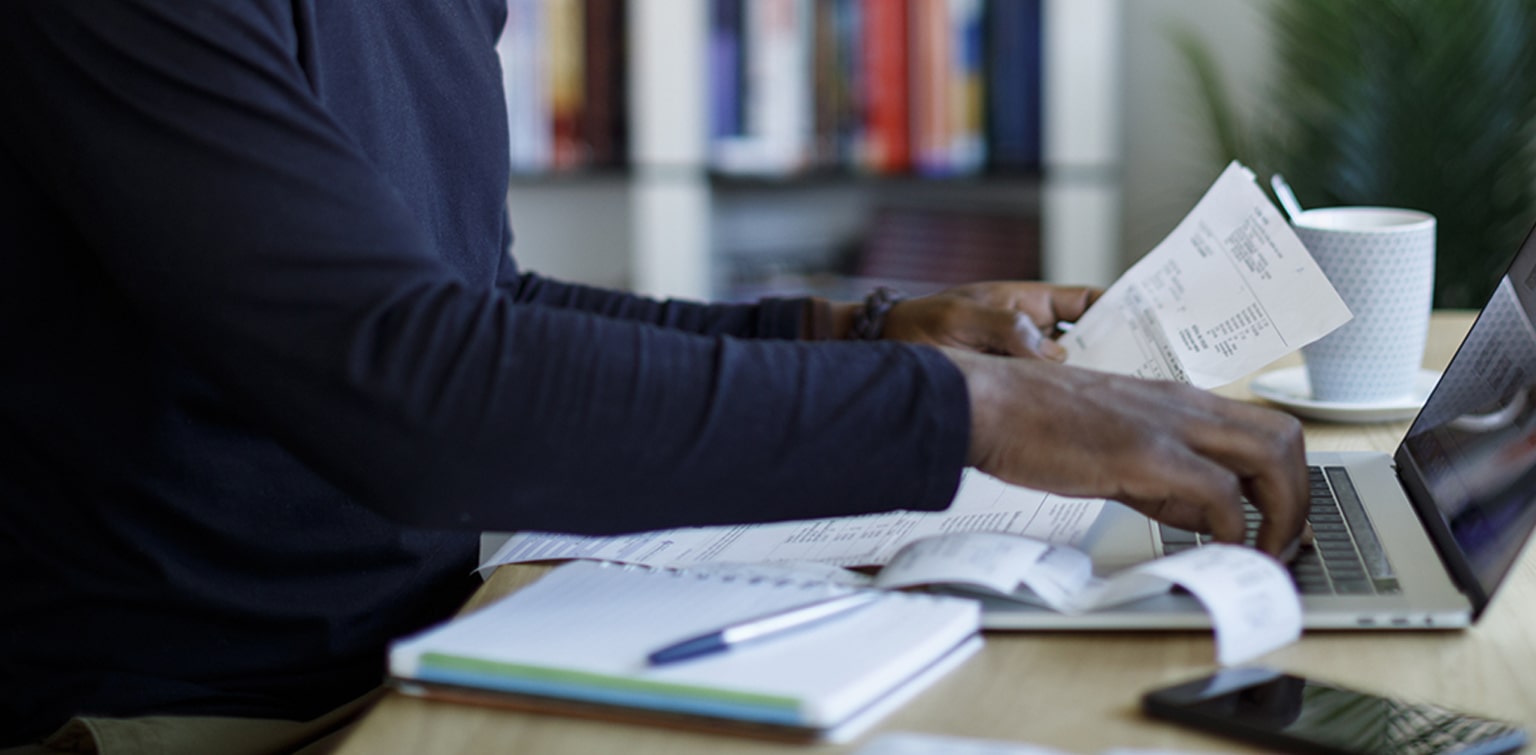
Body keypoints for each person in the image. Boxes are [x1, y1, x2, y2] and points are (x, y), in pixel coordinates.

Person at [0, 2, 1308, 753]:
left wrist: (861, 334)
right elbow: (415, 391)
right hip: (192, 710)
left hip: (436, 639)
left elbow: (481, 304)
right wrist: (982, 411)